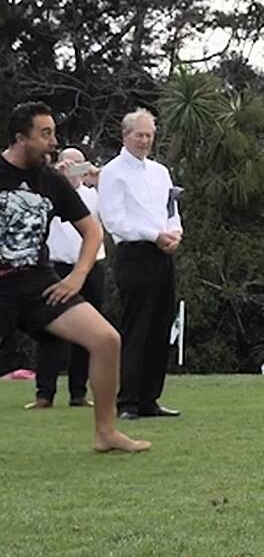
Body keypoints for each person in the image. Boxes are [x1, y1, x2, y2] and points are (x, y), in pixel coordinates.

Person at [0, 101, 150, 452]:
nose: (53, 142)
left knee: (107, 340)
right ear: (21, 138)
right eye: (45, 134)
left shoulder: (51, 181)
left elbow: (92, 231)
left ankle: (106, 433)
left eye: (53, 132)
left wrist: (78, 275)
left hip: (40, 285)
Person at [98, 108, 182, 419]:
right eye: (139, 135)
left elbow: (171, 208)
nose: (145, 141)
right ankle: (128, 401)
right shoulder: (112, 172)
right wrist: (153, 234)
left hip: (162, 254)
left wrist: (175, 232)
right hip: (135, 254)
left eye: (149, 135)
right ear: (126, 135)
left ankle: (150, 399)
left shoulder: (160, 171)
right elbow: (114, 220)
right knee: (137, 326)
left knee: (161, 326)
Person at [25, 148, 105, 409]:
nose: (72, 170)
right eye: (68, 165)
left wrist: (96, 174)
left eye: (77, 166)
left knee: (89, 332)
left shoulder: (94, 195)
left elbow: (117, 200)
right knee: (49, 332)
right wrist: (54, 175)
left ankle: (78, 393)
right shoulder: (51, 192)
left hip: (90, 267)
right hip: (55, 267)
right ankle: (44, 393)